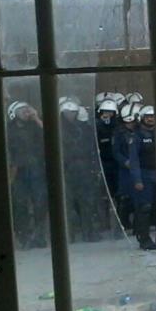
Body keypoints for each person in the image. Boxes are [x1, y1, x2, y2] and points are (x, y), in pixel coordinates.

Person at [7, 101, 48, 248]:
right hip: (18, 171)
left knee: (40, 202)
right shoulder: (9, 129)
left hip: (36, 169)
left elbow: (50, 136)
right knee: (20, 204)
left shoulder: (34, 126)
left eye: (27, 109)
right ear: (13, 113)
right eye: (21, 110)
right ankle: (24, 237)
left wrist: (36, 118)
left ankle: (39, 235)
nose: (25, 112)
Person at [61, 99, 102, 242]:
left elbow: (93, 148)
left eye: (73, 112)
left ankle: (89, 232)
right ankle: (68, 234)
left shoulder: (84, 128)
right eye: (67, 112)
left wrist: (95, 167)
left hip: (84, 168)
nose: (70, 115)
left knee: (87, 201)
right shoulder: (58, 128)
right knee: (67, 202)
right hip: (66, 169)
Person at [128, 105, 156, 250]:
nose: (151, 119)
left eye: (153, 116)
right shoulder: (137, 136)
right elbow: (134, 159)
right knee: (144, 208)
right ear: (142, 118)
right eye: (148, 117)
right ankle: (144, 238)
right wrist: (137, 179)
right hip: (145, 175)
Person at [112, 102, 142, 231]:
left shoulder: (141, 132)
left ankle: (138, 224)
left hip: (140, 168)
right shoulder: (119, 133)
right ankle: (123, 222)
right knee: (125, 196)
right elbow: (116, 151)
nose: (130, 125)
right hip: (126, 169)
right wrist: (125, 162)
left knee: (140, 198)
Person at [96, 99, 120, 200]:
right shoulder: (97, 126)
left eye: (110, 112)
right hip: (104, 162)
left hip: (117, 163)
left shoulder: (118, 127)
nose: (108, 114)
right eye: (105, 111)